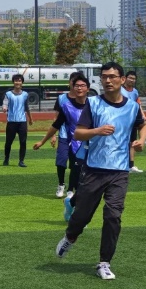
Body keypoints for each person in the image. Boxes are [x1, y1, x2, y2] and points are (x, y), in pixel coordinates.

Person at [55, 61, 146, 280]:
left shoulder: (132, 106)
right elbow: (78, 133)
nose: (107, 80)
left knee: (113, 216)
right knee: (82, 216)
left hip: (119, 171)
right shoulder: (94, 103)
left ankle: (104, 263)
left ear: (122, 80)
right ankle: (70, 237)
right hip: (94, 169)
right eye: (104, 76)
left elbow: (143, 124)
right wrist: (97, 130)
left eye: (112, 76)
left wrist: (141, 140)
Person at [33, 73, 89, 210]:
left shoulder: (94, 105)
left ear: (88, 88)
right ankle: (67, 192)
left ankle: (72, 195)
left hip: (90, 144)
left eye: (82, 85)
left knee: (85, 176)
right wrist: (43, 141)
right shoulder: (66, 106)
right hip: (72, 142)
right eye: (76, 85)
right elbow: (56, 124)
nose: (79, 88)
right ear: (72, 86)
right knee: (68, 165)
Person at [49, 72, 81, 198]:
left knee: (75, 164)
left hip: (78, 137)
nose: (76, 85)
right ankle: (61, 184)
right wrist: (53, 135)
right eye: (73, 81)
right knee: (61, 160)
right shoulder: (62, 98)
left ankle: (71, 189)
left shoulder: (84, 99)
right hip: (63, 135)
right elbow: (56, 118)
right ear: (70, 83)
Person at [2, 74, 34, 167]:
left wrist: (30, 118)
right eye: (16, 80)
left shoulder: (25, 94)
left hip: (22, 121)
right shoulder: (8, 94)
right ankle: (6, 158)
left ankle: (21, 161)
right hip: (11, 121)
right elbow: (5, 103)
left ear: (22, 82)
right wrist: (4, 107)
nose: (17, 82)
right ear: (13, 82)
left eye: (19, 80)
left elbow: (27, 107)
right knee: (8, 142)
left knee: (23, 142)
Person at [120, 70, 146, 173]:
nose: (132, 80)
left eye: (134, 79)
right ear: (125, 78)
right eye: (130, 78)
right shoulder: (120, 90)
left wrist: (143, 115)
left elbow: (138, 104)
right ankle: (122, 164)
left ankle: (131, 165)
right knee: (122, 142)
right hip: (122, 120)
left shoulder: (135, 91)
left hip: (133, 119)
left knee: (132, 142)